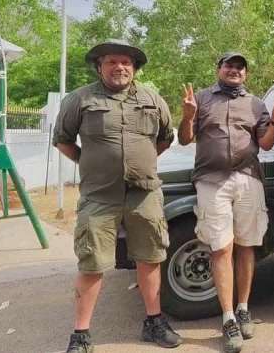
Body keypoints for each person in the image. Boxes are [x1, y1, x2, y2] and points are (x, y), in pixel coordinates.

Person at [54, 40, 182, 353]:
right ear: (99, 67)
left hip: (144, 194)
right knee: (92, 263)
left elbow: (165, 138)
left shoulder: (152, 99)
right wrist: (91, 163)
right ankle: (81, 335)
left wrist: (141, 161)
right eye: (111, 61)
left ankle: (154, 322)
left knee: (150, 258)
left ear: (134, 68)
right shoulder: (80, 99)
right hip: (99, 196)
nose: (119, 67)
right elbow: (63, 141)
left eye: (126, 62)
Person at [177, 53, 274, 352]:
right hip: (212, 180)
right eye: (229, 65)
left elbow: (265, 143)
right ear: (219, 69)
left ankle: (243, 308)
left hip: (248, 178)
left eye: (240, 67)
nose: (234, 70)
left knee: (246, 245)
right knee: (220, 247)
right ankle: (227, 318)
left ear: (246, 74)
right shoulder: (201, 98)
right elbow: (185, 139)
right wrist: (188, 116)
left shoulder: (256, 104)